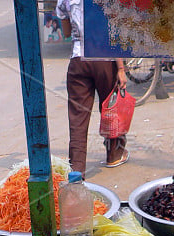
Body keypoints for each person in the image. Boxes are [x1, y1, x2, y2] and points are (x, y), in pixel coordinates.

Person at [56, 0, 129, 176]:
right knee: (110, 109)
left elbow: (66, 32)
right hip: (104, 60)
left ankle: (76, 169)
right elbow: (114, 33)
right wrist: (120, 68)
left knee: (77, 119)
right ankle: (114, 155)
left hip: (78, 60)